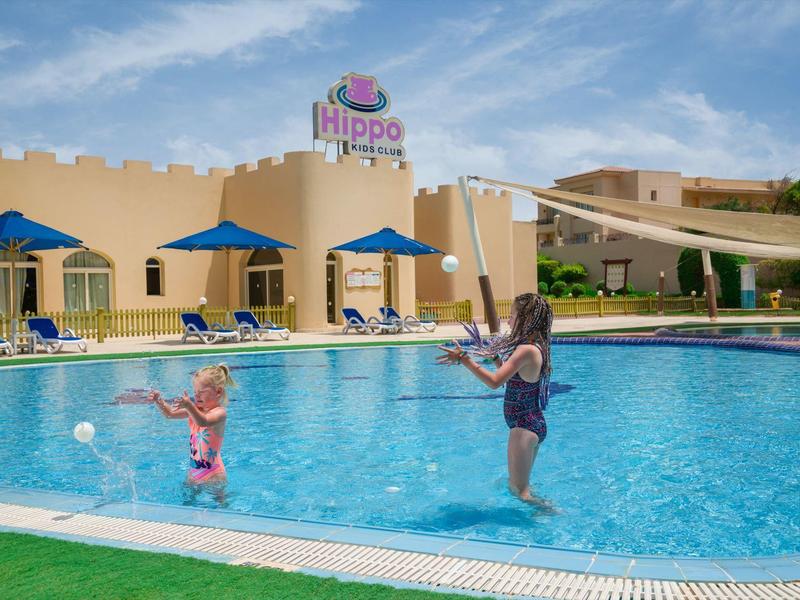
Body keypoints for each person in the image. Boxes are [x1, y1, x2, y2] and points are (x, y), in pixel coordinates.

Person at [438, 293, 553, 504]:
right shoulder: (535, 347)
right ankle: (543, 513)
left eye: (512, 315)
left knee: (520, 492)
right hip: (532, 423)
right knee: (519, 487)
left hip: (523, 426)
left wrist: (464, 359)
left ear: (525, 318)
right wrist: (496, 359)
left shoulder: (525, 349)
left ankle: (553, 515)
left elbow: (494, 382)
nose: (508, 320)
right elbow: (515, 382)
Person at [150, 364, 235, 484]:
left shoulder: (220, 413)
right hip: (194, 472)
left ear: (218, 391)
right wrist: (158, 400)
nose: (196, 395)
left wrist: (189, 406)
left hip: (213, 473)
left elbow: (203, 421)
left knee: (220, 503)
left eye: (201, 392)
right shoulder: (195, 410)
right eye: (195, 392)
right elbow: (169, 414)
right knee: (188, 500)